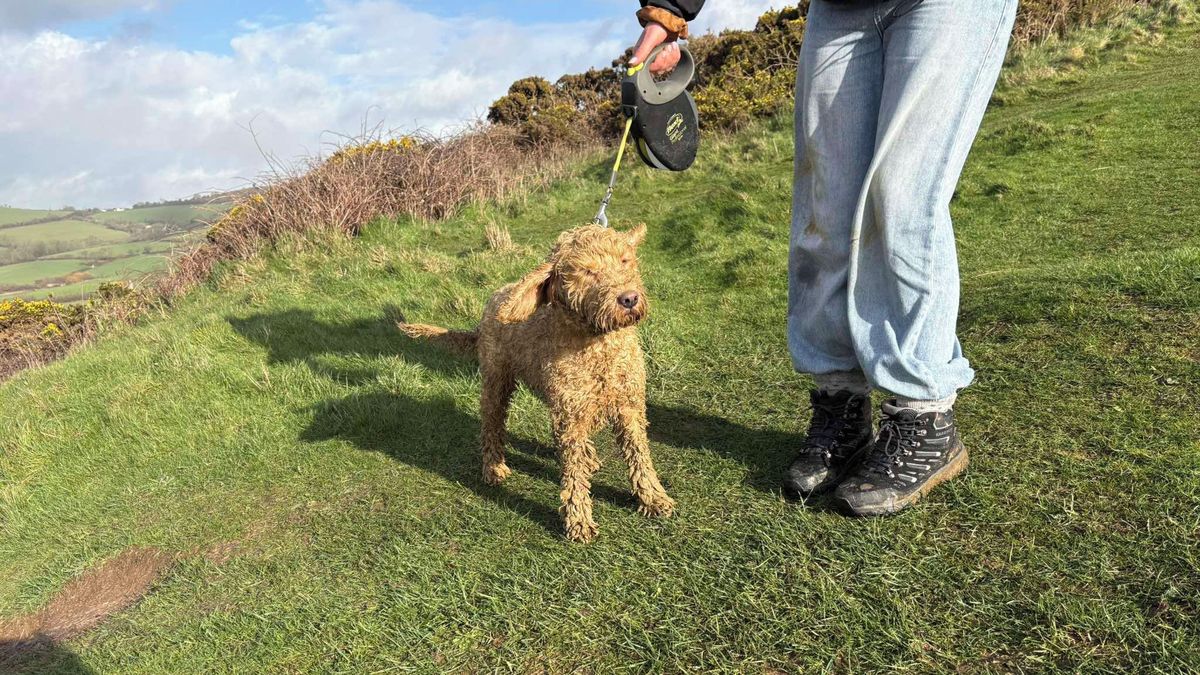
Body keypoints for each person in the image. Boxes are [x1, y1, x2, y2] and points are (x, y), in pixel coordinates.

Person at [629, 0, 1017, 515]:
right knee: (824, 206)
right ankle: (841, 404)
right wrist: (669, 12)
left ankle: (925, 417)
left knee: (901, 196)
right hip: (841, 9)